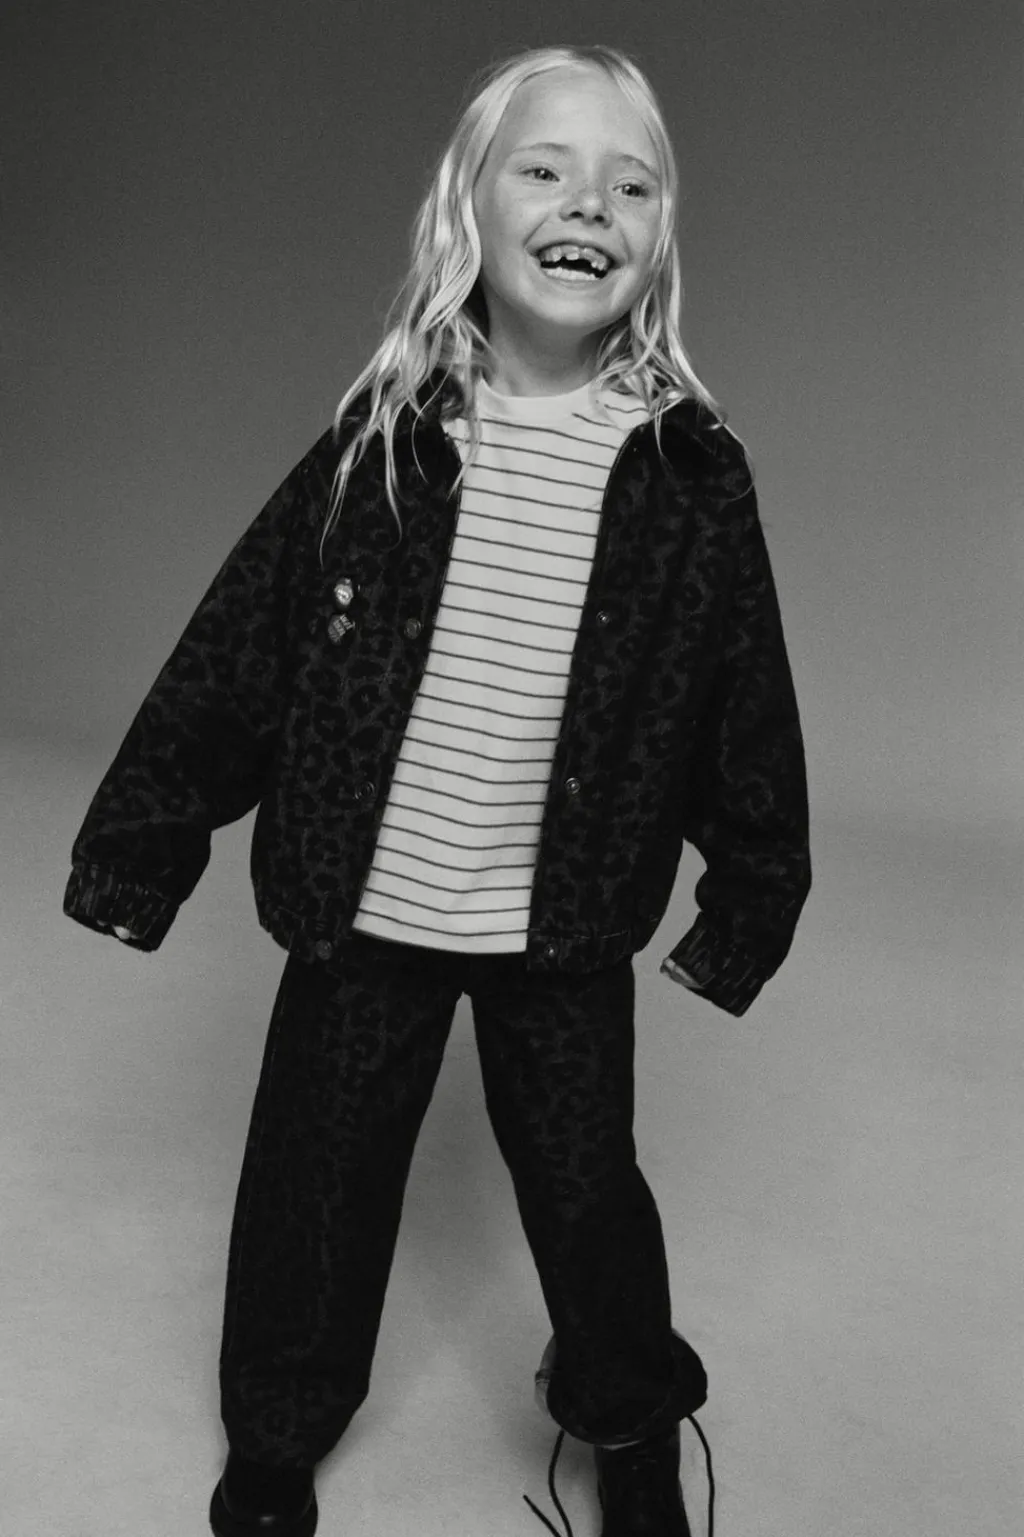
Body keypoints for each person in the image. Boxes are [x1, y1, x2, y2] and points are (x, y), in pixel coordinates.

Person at [64, 42, 811, 1537]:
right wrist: (140, 848)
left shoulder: (689, 478)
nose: (588, 203)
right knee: (313, 1194)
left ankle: (630, 1419)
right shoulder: (387, 443)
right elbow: (240, 647)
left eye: (630, 184)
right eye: (545, 168)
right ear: (469, 205)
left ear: (661, 233)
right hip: (360, 918)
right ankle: (276, 1435)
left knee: (592, 1202)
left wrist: (750, 899)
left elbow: (746, 706)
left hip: (563, 932)